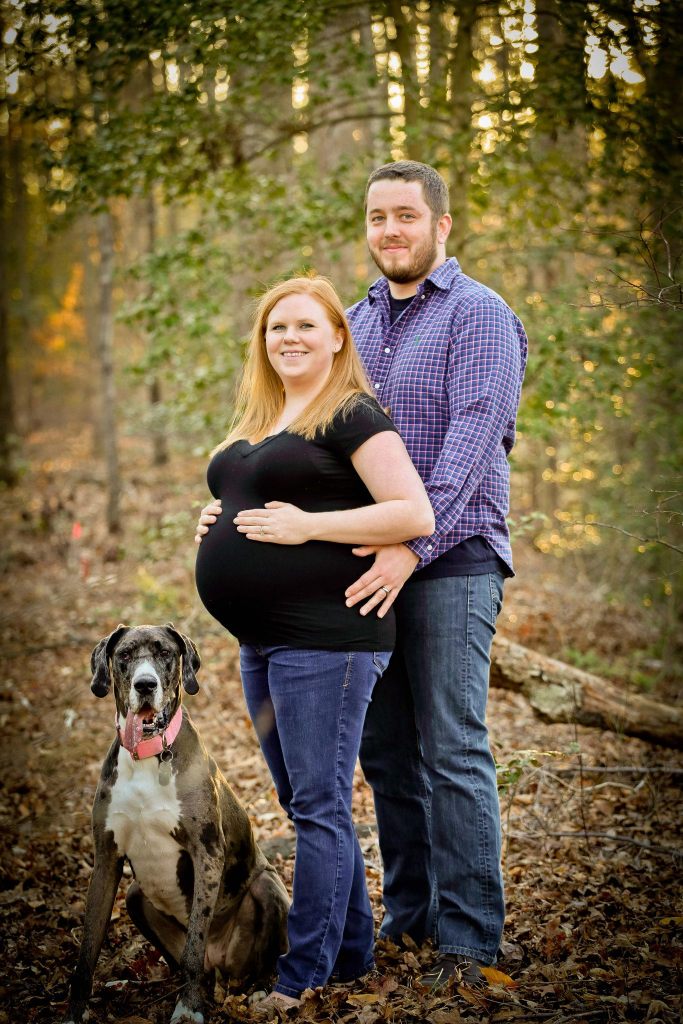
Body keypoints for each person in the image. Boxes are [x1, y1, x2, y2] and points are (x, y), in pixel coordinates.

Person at [197, 161, 528, 991]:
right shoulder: (349, 320)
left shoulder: (480, 316)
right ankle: (407, 915)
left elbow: (468, 450)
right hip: (354, 573)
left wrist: (410, 548)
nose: (390, 231)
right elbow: (309, 449)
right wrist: (232, 510)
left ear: (441, 226)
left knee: (450, 744)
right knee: (382, 756)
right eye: (377, 217)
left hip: (450, 560)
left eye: (406, 217)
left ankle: (467, 938)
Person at [193, 275, 434, 1011]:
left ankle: (303, 978)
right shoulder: (266, 414)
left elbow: (412, 511)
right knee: (304, 801)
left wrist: (305, 527)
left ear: (337, 337)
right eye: (276, 328)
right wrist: (217, 515)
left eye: (304, 326)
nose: (288, 338)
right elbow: (253, 493)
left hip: (326, 637)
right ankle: (352, 955)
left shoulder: (353, 414)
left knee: (320, 805)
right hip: (262, 639)